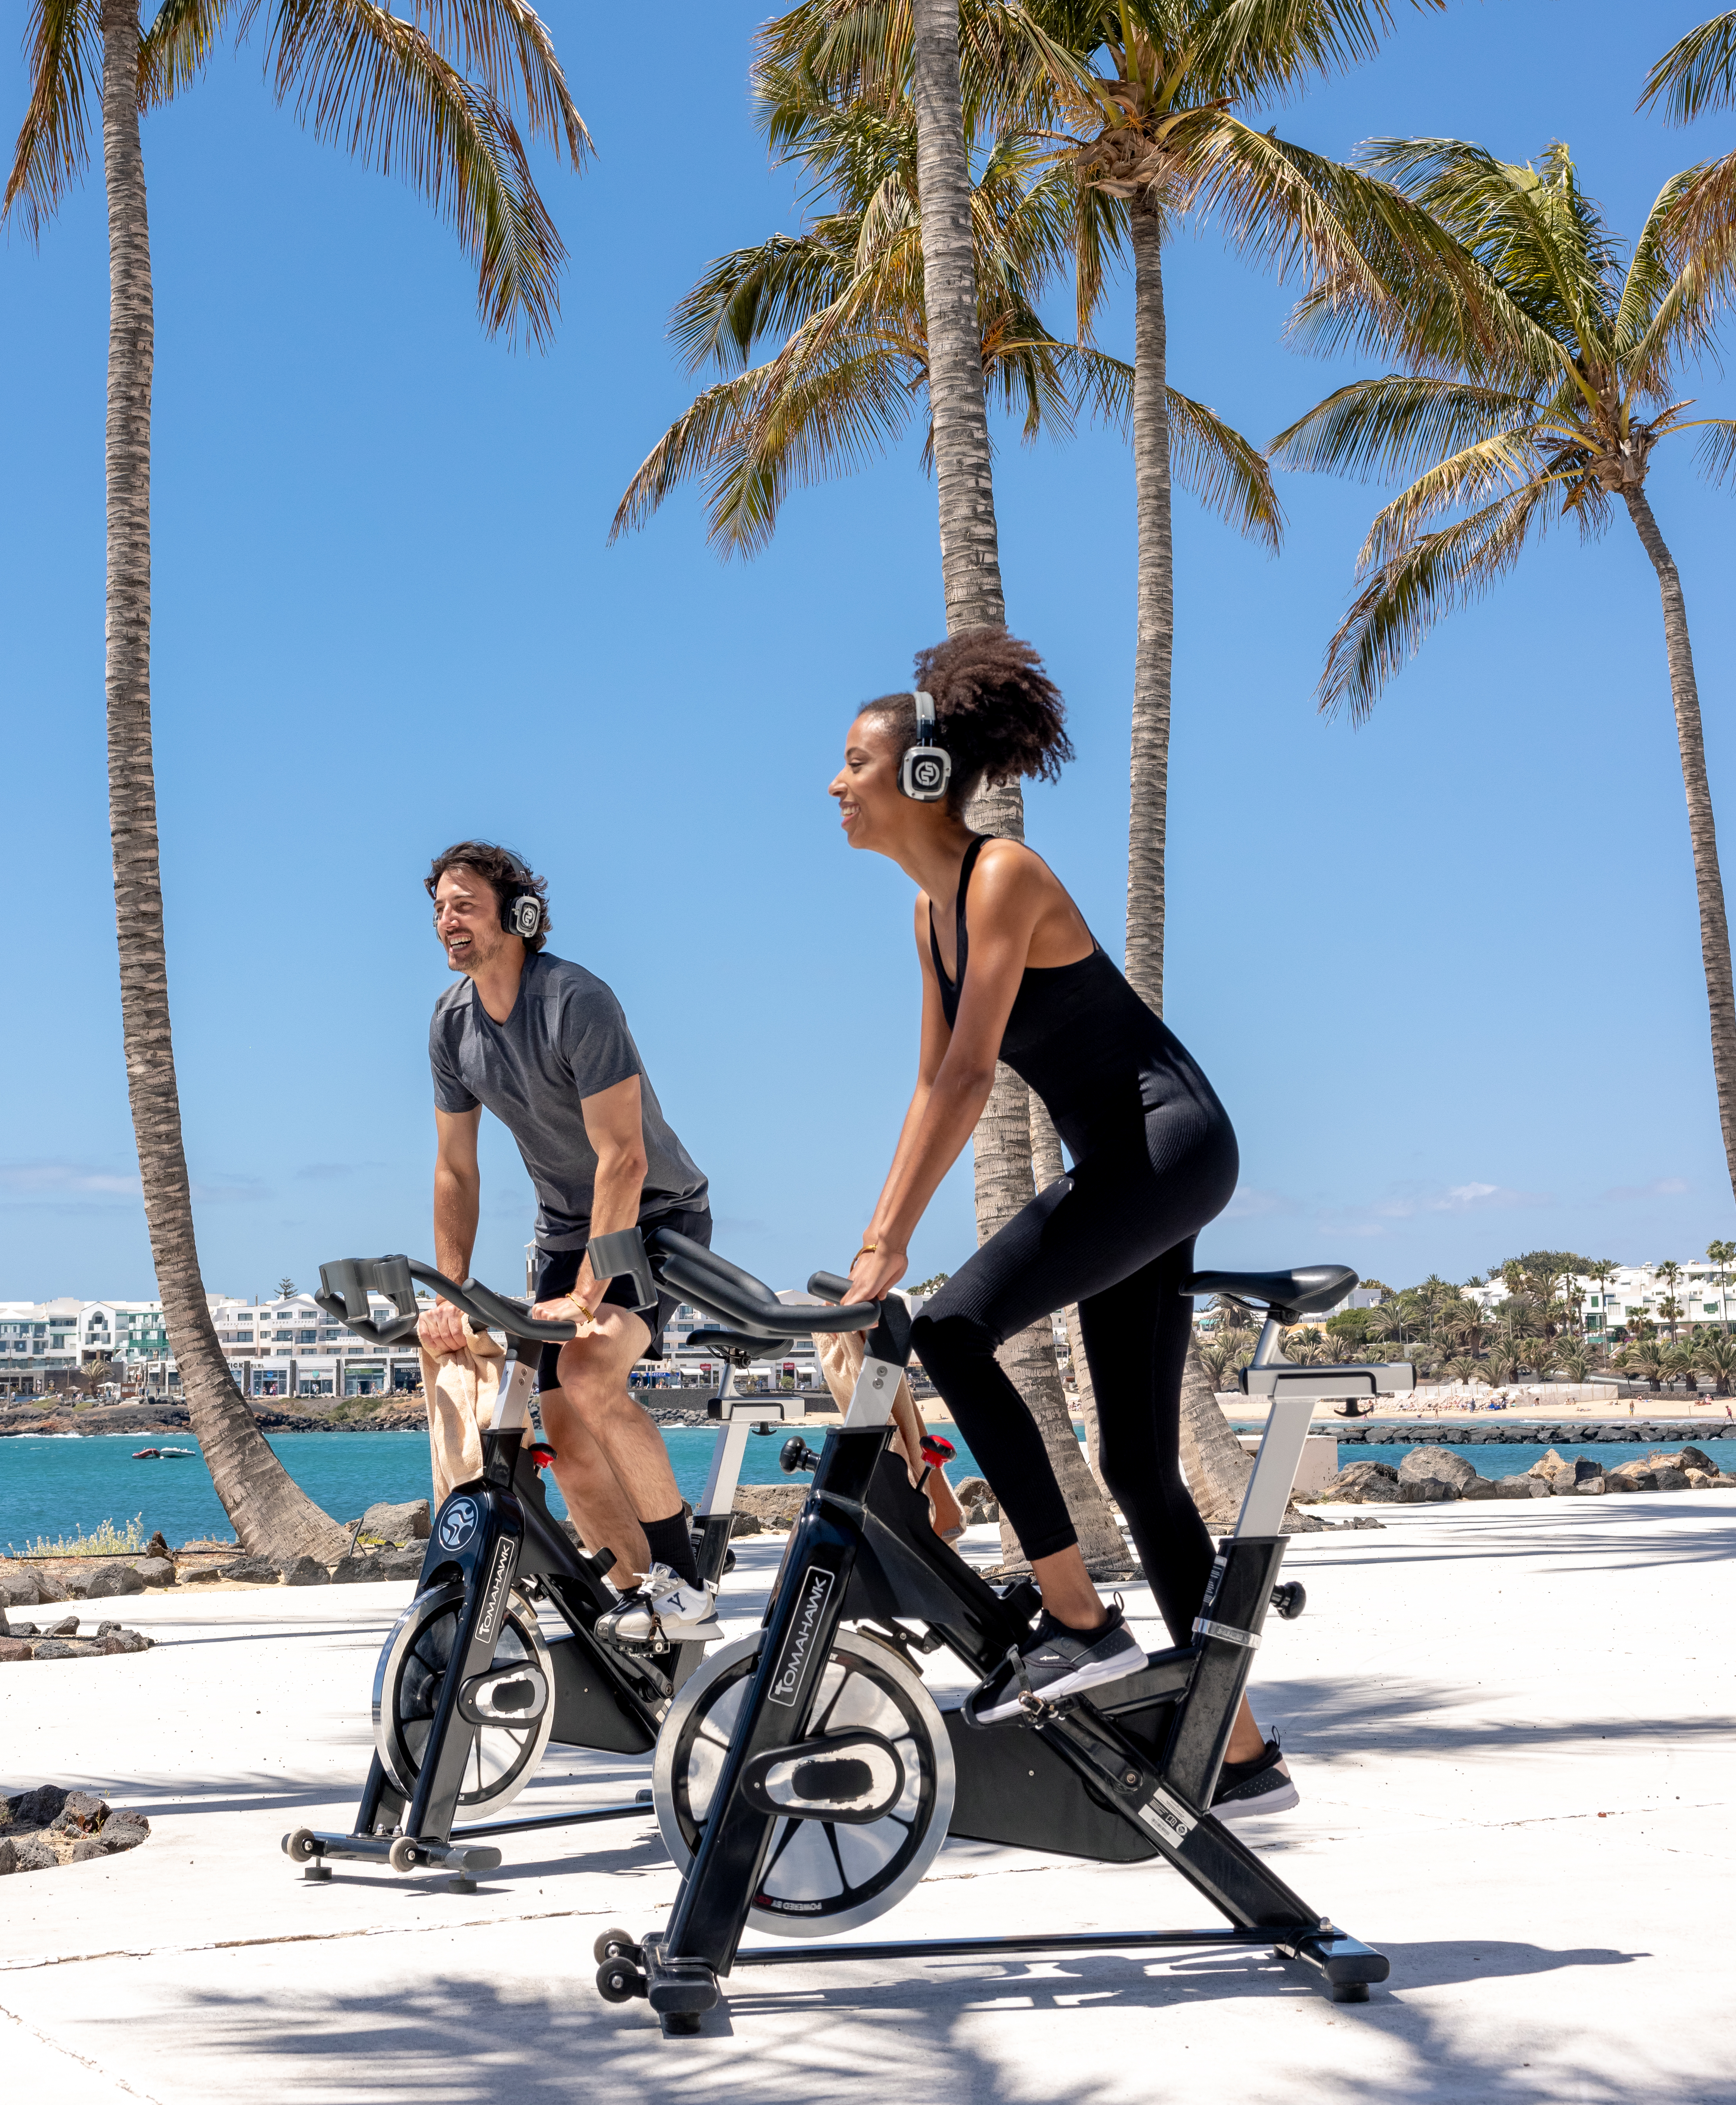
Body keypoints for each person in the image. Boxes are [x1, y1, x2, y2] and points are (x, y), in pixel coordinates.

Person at [829, 631, 1296, 1818]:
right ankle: (1239, 1757)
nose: (836, 786)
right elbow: (924, 1083)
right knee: (1139, 1464)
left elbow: (972, 1078)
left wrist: (887, 1250)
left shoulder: (1003, 879)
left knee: (956, 1331)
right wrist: (874, 1227)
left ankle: (1080, 1622)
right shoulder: (929, 917)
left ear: (922, 779)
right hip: (1133, 1164)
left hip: (1169, 1148)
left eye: (854, 764)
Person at [413, 841, 720, 1640]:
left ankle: (685, 1581)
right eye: (440, 906)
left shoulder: (574, 1000)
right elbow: (456, 1169)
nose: (448, 920)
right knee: (569, 1445)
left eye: (465, 903)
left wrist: (589, 1290)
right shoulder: (452, 1025)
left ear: (518, 915)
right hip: (561, 1229)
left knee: (588, 1368)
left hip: (656, 1216)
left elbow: (625, 1156)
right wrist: (449, 1295)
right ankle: (647, 1618)